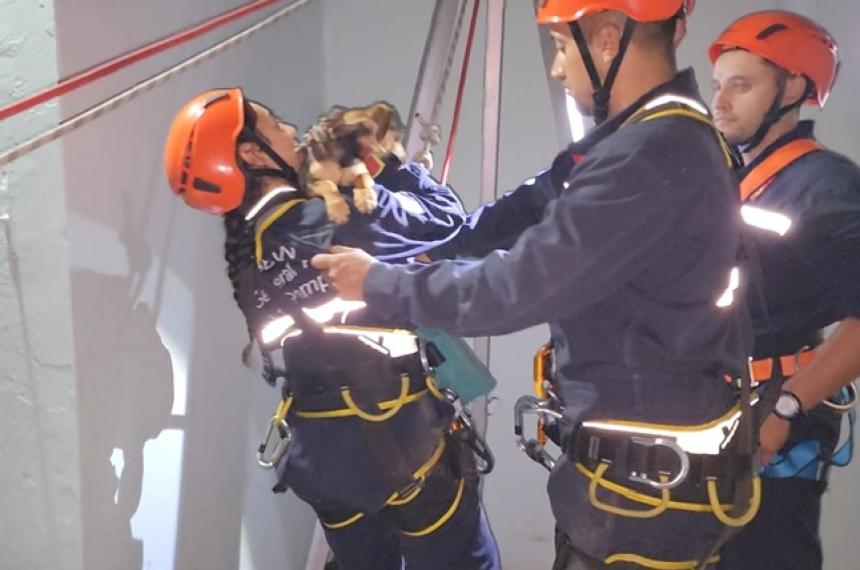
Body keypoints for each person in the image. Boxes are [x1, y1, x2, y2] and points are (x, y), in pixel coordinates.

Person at [313, 1, 757, 568]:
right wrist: (395, 176)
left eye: (562, 47)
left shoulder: (649, 156)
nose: (556, 67)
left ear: (606, 38)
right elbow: (479, 228)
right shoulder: (638, 143)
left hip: (645, 505)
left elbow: (512, 289)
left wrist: (379, 283)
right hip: (632, 492)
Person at [163, 88, 500, 570]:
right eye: (275, 123)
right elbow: (450, 226)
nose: (291, 129)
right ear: (254, 154)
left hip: (321, 453)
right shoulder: (334, 215)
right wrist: (390, 167)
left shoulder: (249, 250)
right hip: (402, 440)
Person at [709, 11, 860, 570]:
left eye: (741, 85)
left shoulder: (826, 189)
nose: (721, 101)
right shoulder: (728, 180)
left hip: (774, 428)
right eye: (718, 85)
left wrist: (789, 406)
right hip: (711, 417)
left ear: (793, 87)